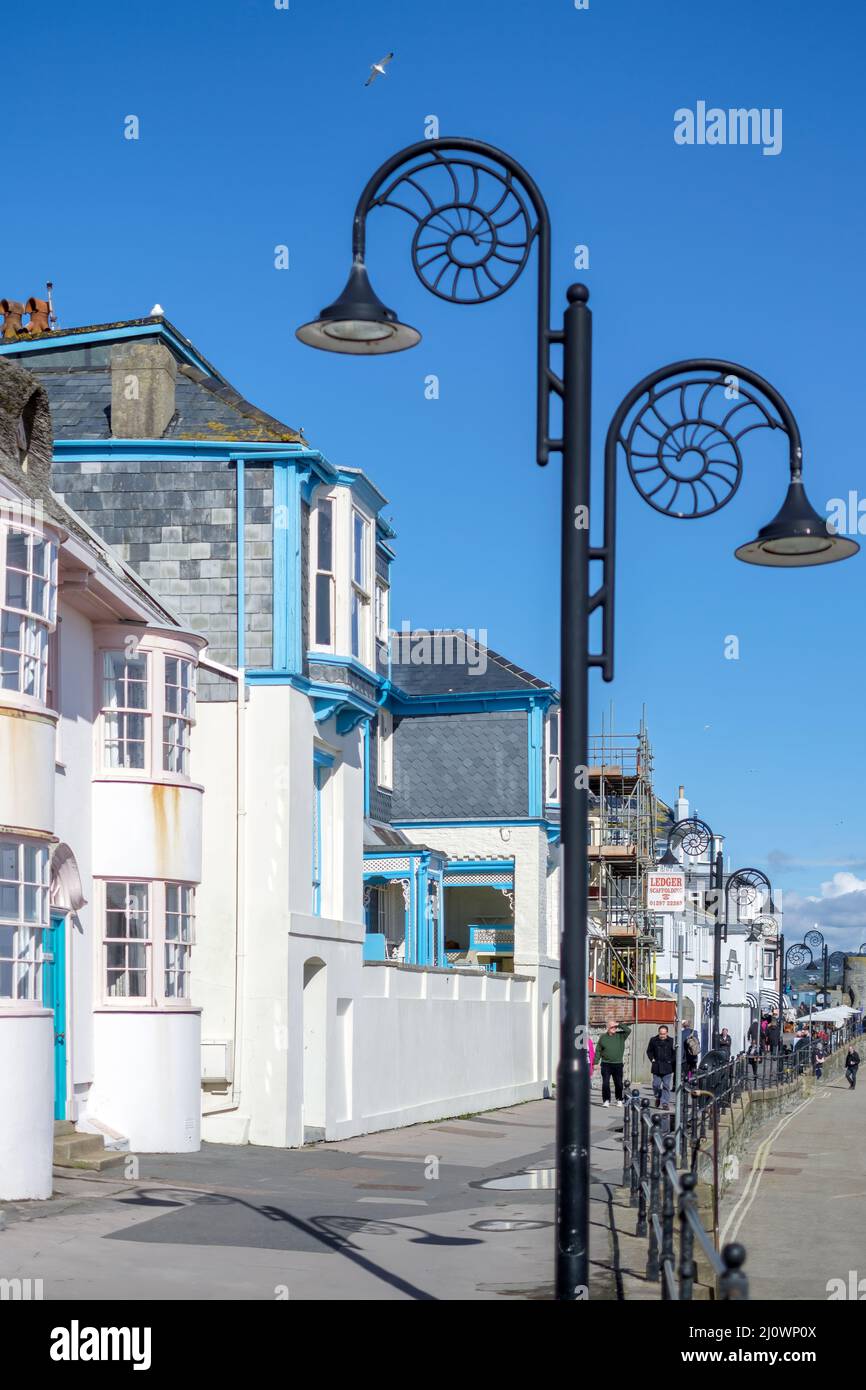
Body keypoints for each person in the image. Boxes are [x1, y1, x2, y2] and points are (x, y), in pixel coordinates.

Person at [596, 1018, 630, 1107]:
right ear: (608, 1028)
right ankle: (606, 1100)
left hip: (617, 1064)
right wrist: (595, 1062)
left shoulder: (621, 1036)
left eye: (615, 1027)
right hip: (606, 1064)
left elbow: (628, 1030)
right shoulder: (603, 1037)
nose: (614, 1028)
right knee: (605, 1083)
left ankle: (619, 1099)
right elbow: (598, 1050)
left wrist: (618, 1024)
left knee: (618, 1083)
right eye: (612, 1027)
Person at [646, 1025, 676, 1111]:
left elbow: (675, 1052)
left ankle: (665, 1103)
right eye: (660, 1034)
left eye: (664, 1034)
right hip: (657, 1066)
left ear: (667, 1033)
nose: (662, 1035)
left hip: (667, 1067)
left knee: (666, 1086)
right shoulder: (653, 1040)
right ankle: (658, 1097)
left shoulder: (671, 1041)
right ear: (658, 1033)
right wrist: (652, 1059)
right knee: (656, 1084)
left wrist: (671, 1061)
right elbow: (649, 1051)